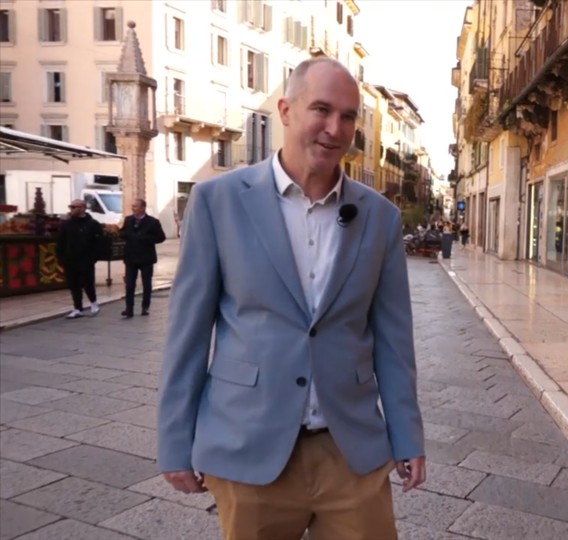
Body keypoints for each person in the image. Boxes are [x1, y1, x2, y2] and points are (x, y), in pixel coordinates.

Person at [156, 58, 425, 540]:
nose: (335, 128)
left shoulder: (380, 217)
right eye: (321, 109)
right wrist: (175, 441)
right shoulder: (218, 202)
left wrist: (407, 435)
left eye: (348, 116)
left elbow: (394, 340)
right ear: (285, 110)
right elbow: (187, 334)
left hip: (351, 453)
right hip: (247, 445)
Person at [55, 199, 103, 319]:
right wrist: (61, 257)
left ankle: (93, 303)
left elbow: (98, 243)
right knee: (74, 284)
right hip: (70, 260)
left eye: (73, 207)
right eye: (70, 207)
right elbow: (60, 242)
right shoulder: (67, 224)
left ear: (82, 208)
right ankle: (77, 308)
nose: (71, 209)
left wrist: (93, 258)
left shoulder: (92, 224)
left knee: (88, 282)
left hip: (86, 259)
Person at [119, 198, 166, 318]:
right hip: (131, 257)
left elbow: (161, 237)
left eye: (135, 206)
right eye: (132, 206)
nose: (133, 208)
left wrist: (145, 238)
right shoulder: (128, 220)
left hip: (146, 257)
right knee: (130, 284)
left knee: (146, 283)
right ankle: (129, 308)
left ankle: (145, 306)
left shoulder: (153, 222)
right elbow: (123, 233)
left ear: (142, 208)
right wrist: (123, 234)